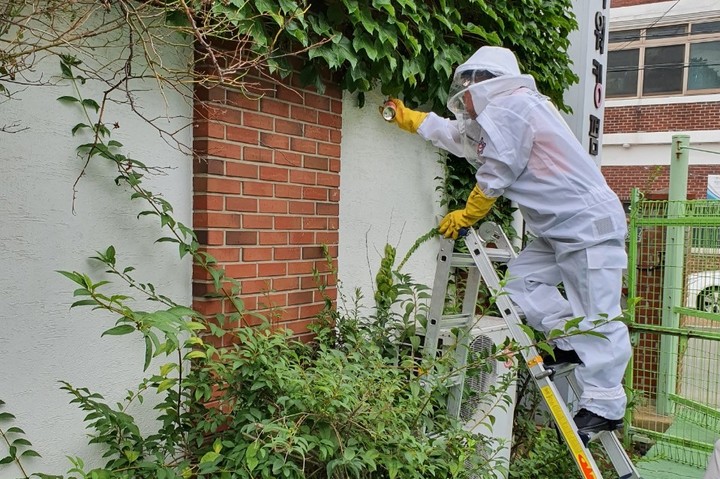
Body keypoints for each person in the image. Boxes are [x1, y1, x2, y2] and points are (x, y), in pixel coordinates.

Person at [383, 46, 632, 436]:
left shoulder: (514, 107)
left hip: (587, 225)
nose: (463, 97)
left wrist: (468, 213)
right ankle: (568, 341)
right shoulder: (496, 118)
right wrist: (414, 120)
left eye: (467, 87)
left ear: (486, 83)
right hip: (557, 228)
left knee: (597, 311)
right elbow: (459, 137)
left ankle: (605, 404)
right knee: (516, 285)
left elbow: (499, 169)